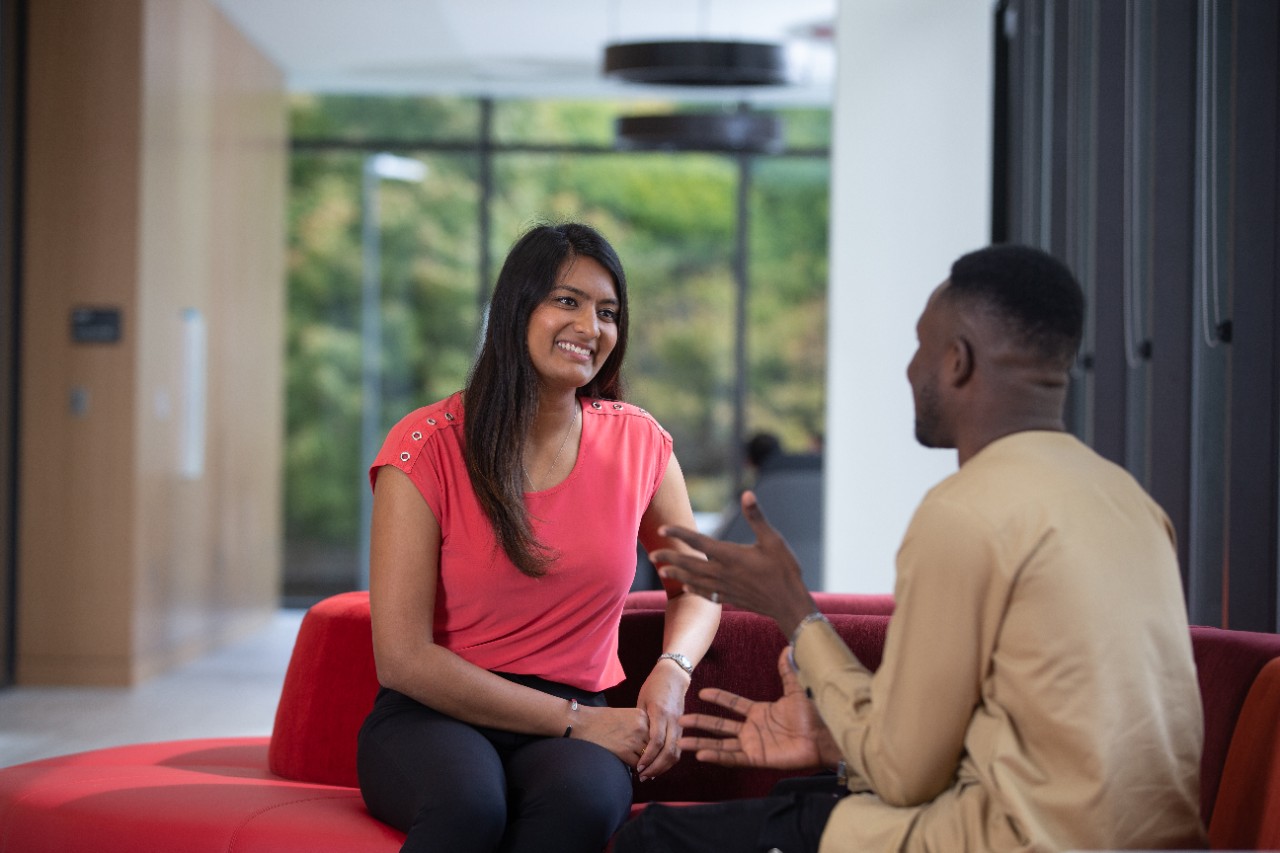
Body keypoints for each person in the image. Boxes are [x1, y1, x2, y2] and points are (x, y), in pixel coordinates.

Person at [615, 244, 1207, 852]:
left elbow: (902, 774)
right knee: (799, 800)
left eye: (921, 345)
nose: (909, 369)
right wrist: (834, 742)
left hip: (1012, 841)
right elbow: (1011, 742)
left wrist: (795, 610)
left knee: (653, 840)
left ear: (957, 361)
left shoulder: (966, 512)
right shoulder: (1132, 504)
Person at [357, 222, 721, 853]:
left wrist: (672, 667)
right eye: (567, 301)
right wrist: (578, 722)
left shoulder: (640, 445)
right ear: (515, 309)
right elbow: (402, 657)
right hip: (435, 712)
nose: (590, 326)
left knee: (580, 806)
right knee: (468, 807)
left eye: (607, 312)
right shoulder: (426, 444)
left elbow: (699, 586)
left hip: (575, 712)